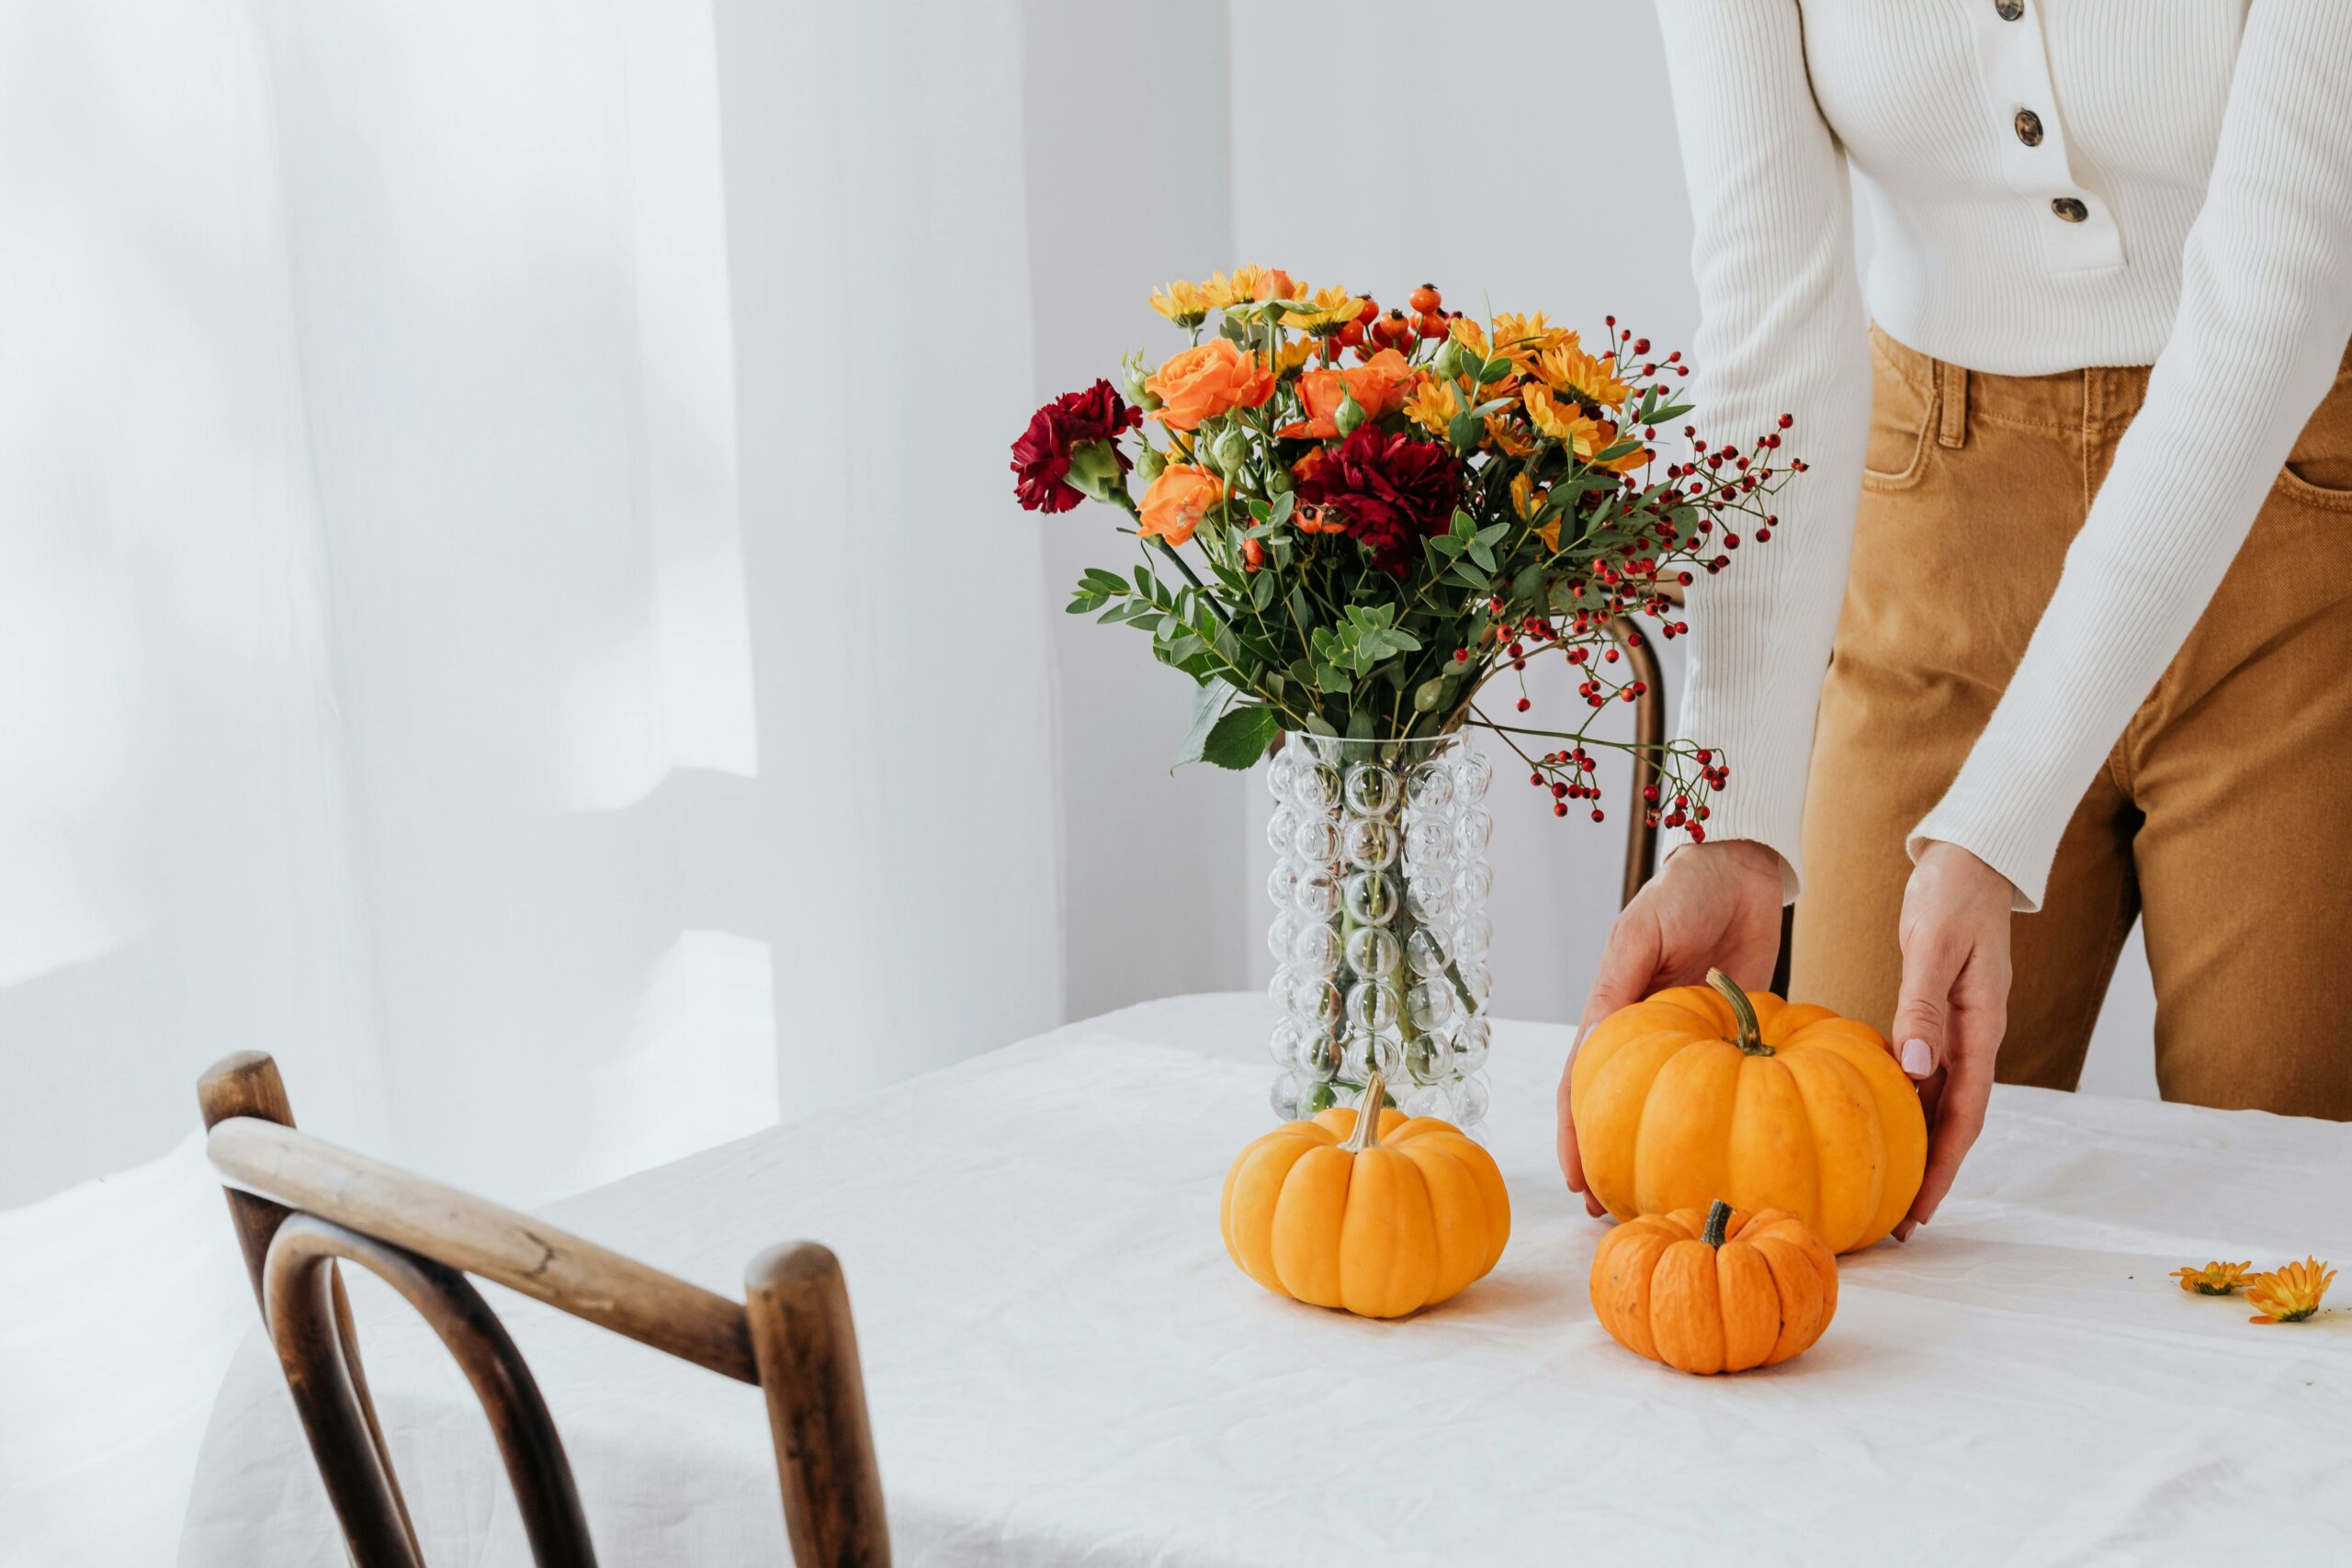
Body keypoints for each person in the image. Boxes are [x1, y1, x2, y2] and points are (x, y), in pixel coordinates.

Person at [1560, 1, 2352, 1241]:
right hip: (1931, 540)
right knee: (1841, 1192)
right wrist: (1733, 826)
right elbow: (1769, 316)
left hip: (2286, 524)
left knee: (2291, 1209)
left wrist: (1994, 827)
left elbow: (2276, 299)